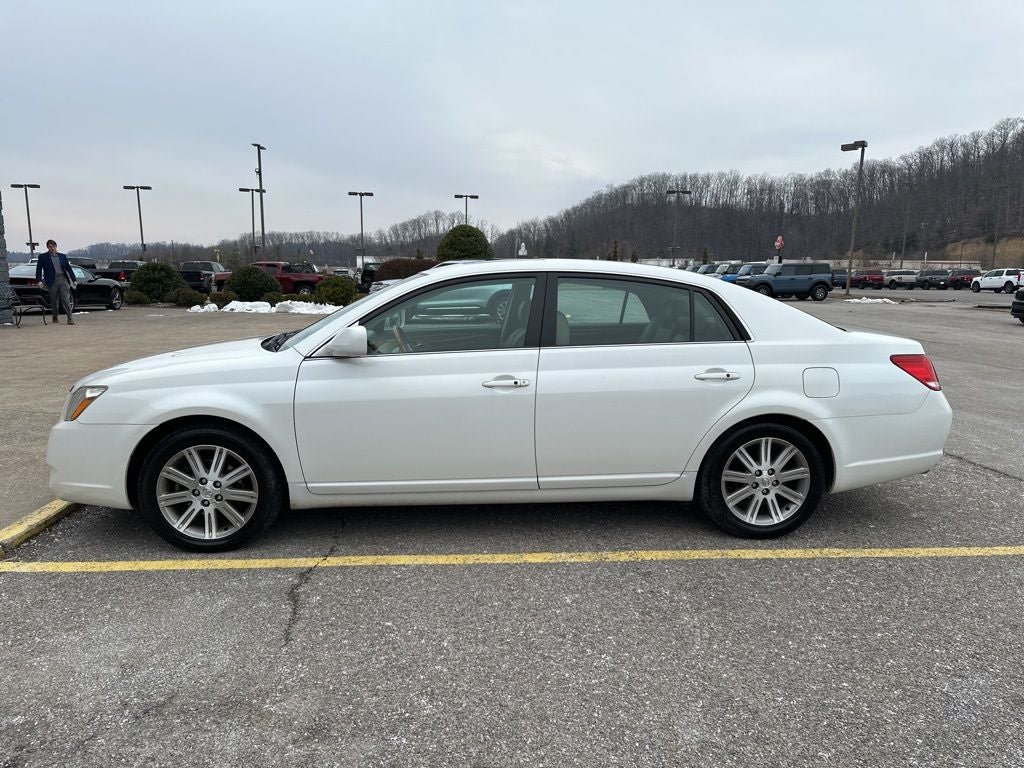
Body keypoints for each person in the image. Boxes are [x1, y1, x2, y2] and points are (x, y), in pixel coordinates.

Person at [35, 239, 77, 325]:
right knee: (54, 300)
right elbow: (38, 269)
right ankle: (55, 316)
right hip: (52, 281)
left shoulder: (62, 256)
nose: (52, 248)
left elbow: (68, 268)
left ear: (56, 247)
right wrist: (39, 280)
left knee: (65, 299)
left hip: (63, 280)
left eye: (54, 246)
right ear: (48, 247)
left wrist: (74, 279)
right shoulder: (43, 257)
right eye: (50, 246)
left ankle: (70, 318)